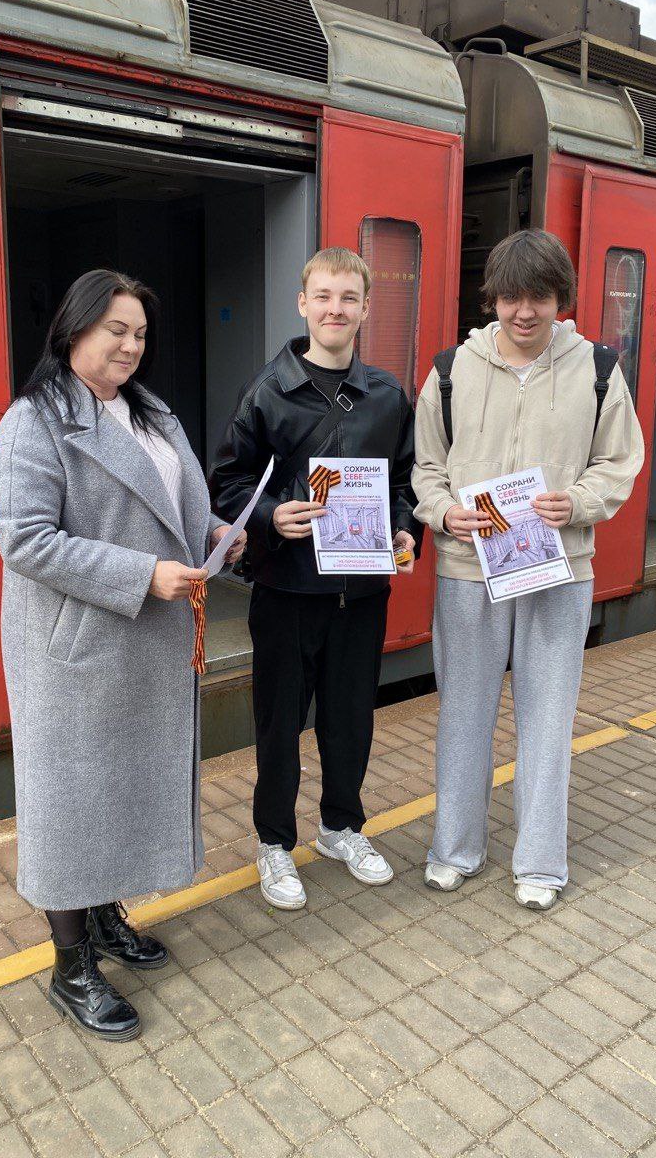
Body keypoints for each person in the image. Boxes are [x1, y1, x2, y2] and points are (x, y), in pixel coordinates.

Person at [0, 269, 244, 1041]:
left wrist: (215, 534)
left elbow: (173, 506)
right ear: (74, 334)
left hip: (144, 641)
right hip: (77, 651)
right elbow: (25, 541)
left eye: (139, 333)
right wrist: (143, 574)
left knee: (117, 790)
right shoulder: (30, 425)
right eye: (115, 331)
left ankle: (104, 919)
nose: (131, 346)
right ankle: (70, 970)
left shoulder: (149, 413)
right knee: (70, 807)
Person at [412, 229, 644, 911]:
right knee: (464, 714)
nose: (524, 312)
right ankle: (454, 849)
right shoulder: (451, 368)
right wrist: (443, 513)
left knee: (548, 718)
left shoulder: (597, 368)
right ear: (493, 299)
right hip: (465, 566)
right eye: (511, 298)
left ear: (559, 299)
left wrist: (576, 502)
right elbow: (425, 466)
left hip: (559, 568)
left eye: (539, 298)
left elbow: (619, 461)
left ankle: (540, 864)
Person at [210, 247, 422, 910]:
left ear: (364, 308)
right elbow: (227, 484)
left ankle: (340, 829)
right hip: (286, 590)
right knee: (279, 725)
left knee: (351, 719)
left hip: (361, 593)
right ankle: (274, 843)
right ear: (303, 304)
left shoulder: (388, 394)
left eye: (348, 298)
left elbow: (406, 482)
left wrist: (405, 526)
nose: (335, 309)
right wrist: (275, 515)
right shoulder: (267, 391)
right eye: (323, 296)